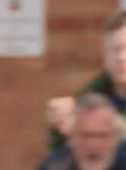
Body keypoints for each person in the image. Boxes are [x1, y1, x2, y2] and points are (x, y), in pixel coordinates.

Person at [45, 10, 126, 151]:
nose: (121, 57)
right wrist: (60, 129)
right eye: (115, 49)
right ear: (105, 57)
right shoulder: (90, 103)